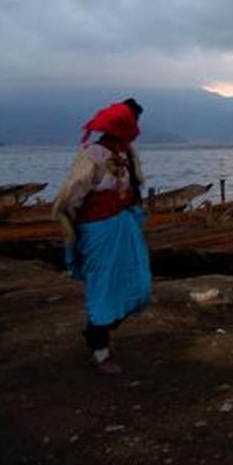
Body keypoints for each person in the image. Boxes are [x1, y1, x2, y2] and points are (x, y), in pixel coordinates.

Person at [52, 98, 151, 374]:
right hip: (98, 230)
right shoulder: (93, 154)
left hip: (122, 225)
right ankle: (99, 346)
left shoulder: (127, 152)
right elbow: (74, 193)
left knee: (137, 284)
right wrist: (74, 223)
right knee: (103, 285)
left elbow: (135, 186)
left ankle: (101, 329)